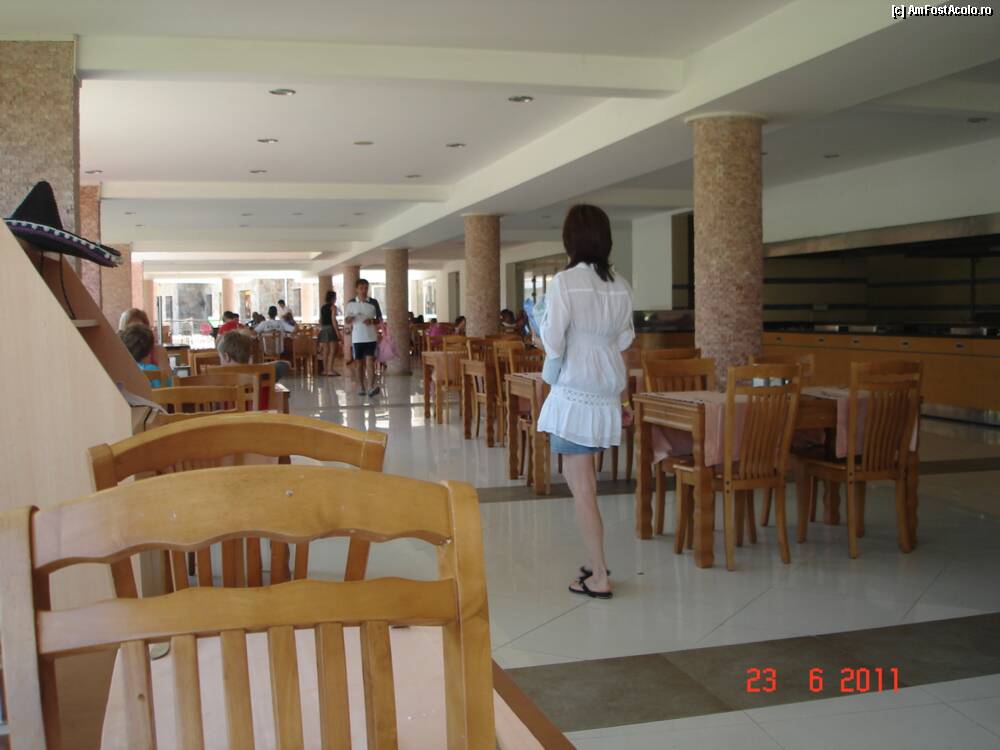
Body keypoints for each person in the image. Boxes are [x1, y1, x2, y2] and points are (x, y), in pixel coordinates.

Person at [536, 204, 634, 600]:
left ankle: (599, 575)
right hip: (606, 390)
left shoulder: (565, 282)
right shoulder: (621, 284)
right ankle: (595, 564)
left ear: (570, 240)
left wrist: (539, 334)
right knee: (587, 483)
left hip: (575, 392)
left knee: (583, 488)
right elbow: (626, 343)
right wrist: (623, 399)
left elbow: (553, 340)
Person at [344, 278, 383, 397]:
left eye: (366, 288)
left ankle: (371, 387)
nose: (364, 291)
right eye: (361, 288)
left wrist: (371, 321)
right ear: (356, 289)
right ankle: (361, 386)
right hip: (357, 338)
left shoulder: (373, 302)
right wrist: (349, 319)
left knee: (370, 362)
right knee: (359, 363)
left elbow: (380, 319)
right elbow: (346, 320)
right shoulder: (351, 303)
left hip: (371, 337)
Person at [118, 307, 172, 379]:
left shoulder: (158, 351)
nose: (137, 336)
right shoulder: (118, 352)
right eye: (132, 330)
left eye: (140, 328)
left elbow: (167, 379)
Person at [218, 329, 290, 382]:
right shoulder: (262, 373)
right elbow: (286, 364)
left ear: (226, 356)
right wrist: (259, 366)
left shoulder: (217, 377)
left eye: (220, 357)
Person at [318, 290, 341, 377]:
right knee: (332, 350)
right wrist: (337, 332)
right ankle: (330, 369)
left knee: (325, 351)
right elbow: (333, 320)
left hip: (323, 329)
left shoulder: (323, 307)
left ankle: (325, 370)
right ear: (333, 298)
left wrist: (322, 328)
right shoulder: (333, 307)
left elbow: (320, 320)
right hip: (330, 329)